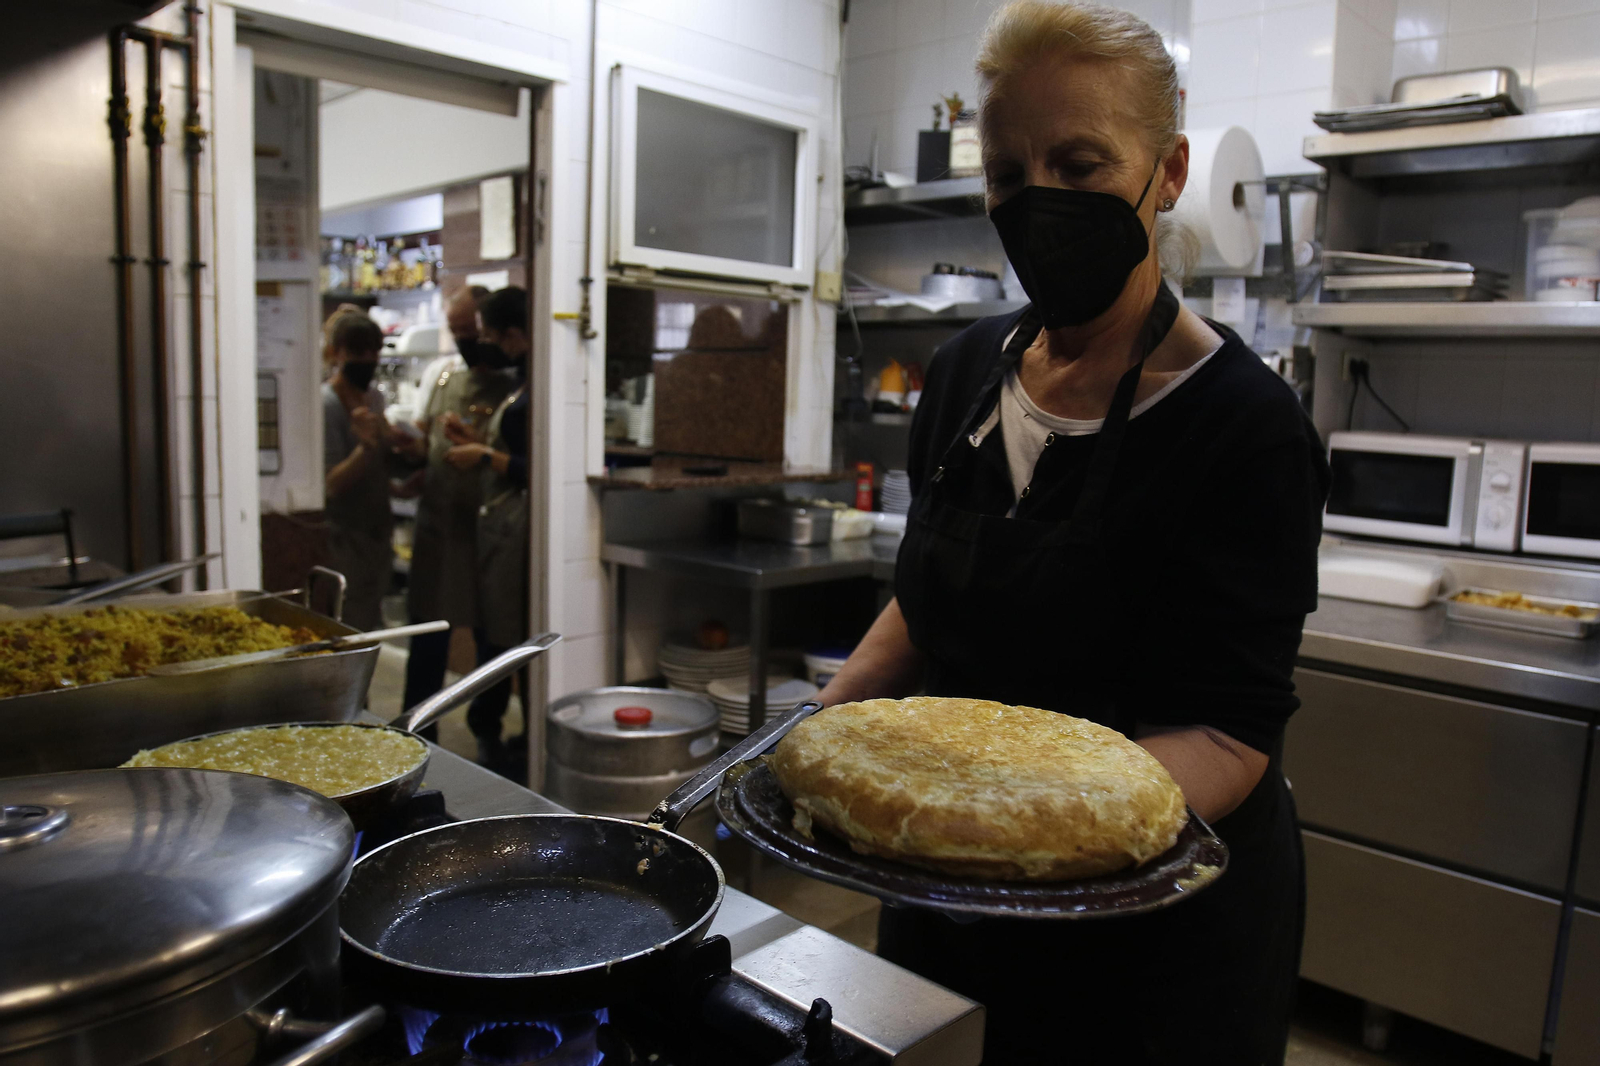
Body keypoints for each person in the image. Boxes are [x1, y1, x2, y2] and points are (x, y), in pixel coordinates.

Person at [812, 4, 1330, 1063]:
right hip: (946, 891)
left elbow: (1230, 734)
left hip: (1151, 934)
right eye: (1009, 174)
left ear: (1168, 169)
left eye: (1081, 162)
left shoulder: (1245, 428)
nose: (1037, 200)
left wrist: (1009, 830)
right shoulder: (963, 374)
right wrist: (813, 733)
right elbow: (935, 590)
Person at [400, 286, 515, 722]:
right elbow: (424, 438)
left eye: (470, 331)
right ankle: (415, 732)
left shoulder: (515, 387)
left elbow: (518, 459)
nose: (464, 340)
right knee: (427, 638)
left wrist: (478, 446)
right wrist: (413, 454)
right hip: (438, 529)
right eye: (456, 330)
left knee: (494, 642)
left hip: (486, 533)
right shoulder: (443, 376)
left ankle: (487, 726)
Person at [442, 286, 532, 768]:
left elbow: (534, 466)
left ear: (513, 334)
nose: (485, 346)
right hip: (502, 525)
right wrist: (475, 440)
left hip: (517, 526)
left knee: (503, 636)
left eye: (490, 336)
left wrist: (483, 456)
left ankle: (494, 732)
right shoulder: (522, 379)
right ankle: (492, 729)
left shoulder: (540, 380)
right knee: (494, 632)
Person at [320, 306, 400, 632]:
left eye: (373, 352)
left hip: (375, 533)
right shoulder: (327, 404)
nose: (367, 360)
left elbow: (377, 467)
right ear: (337, 353)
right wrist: (365, 447)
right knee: (350, 627)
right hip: (343, 538)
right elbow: (331, 484)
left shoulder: (374, 399)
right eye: (357, 351)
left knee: (371, 621)